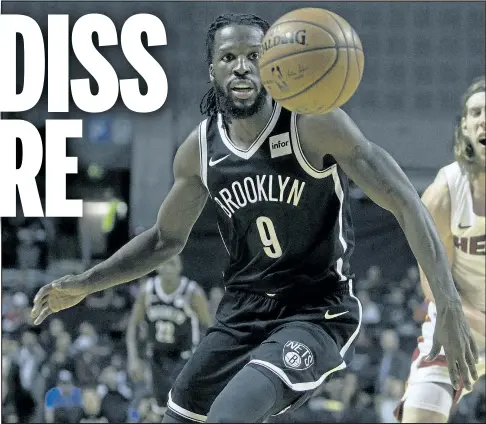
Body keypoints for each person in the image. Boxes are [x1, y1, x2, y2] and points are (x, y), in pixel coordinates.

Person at [31, 13, 478, 423]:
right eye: (229, 57)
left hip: (314, 311)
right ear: (213, 70)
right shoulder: (199, 151)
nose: (242, 66)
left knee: (229, 417)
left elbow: (405, 200)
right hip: (241, 314)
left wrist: (448, 306)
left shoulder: (313, 124)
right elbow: (163, 240)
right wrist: (85, 283)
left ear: (275, 65)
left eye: (254, 56)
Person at [395, 76, 485, 423]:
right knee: (421, 415)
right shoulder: (444, 193)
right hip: (457, 325)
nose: (483, 119)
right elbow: (434, 287)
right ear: (464, 126)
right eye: (475, 112)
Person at [126, 255, 211, 414]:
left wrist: (206, 359)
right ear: (157, 267)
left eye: (172, 264)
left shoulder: (192, 292)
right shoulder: (147, 291)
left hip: (185, 357)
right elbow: (133, 326)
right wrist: (133, 358)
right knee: (160, 409)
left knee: (181, 407)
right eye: (164, 263)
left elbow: (209, 327)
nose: (167, 268)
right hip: (157, 357)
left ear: (180, 267)